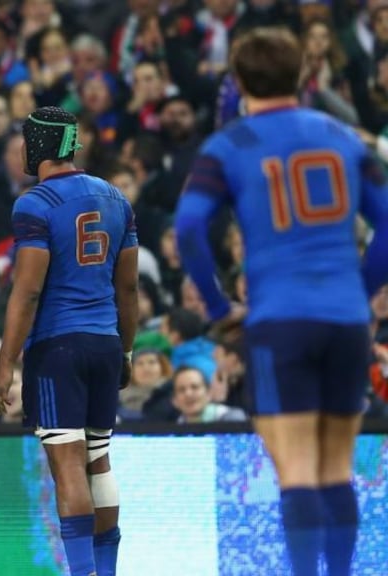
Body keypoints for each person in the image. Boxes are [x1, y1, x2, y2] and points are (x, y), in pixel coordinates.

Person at [174, 27, 388, 576]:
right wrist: (358, 292)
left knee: (296, 470)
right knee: (337, 467)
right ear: (301, 76)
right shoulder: (343, 136)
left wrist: (220, 310)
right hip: (345, 321)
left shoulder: (231, 144)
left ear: (239, 81)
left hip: (279, 321)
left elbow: (192, 226)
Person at [0, 106, 139, 576]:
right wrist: (127, 349)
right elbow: (128, 287)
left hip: (58, 345)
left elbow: (28, 289)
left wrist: (5, 363)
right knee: (99, 459)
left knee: (67, 462)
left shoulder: (34, 203)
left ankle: (83, 572)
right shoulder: (116, 197)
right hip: (106, 340)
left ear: (38, 147)